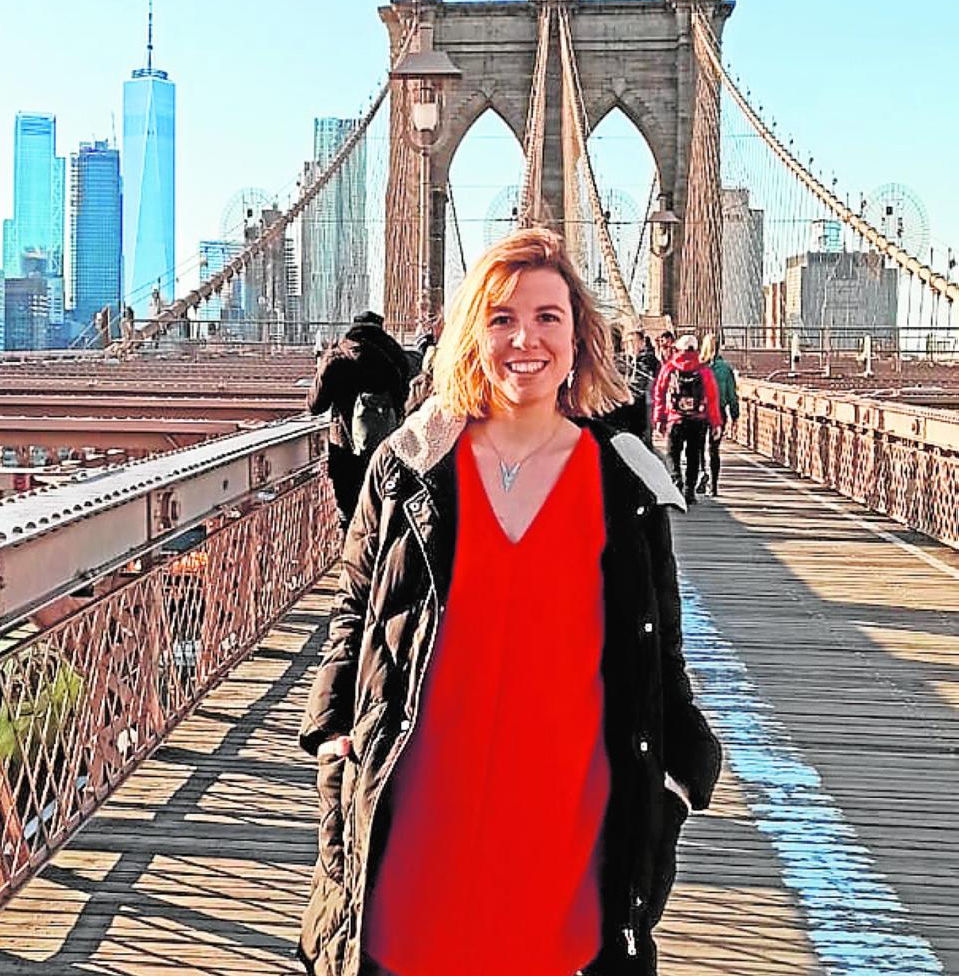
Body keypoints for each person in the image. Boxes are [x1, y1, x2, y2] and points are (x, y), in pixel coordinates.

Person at [298, 229, 722, 976]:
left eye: (547, 317)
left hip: (568, 827)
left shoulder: (624, 480)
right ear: (473, 334)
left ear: (578, 336)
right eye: (501, 318)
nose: (525, 338)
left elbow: (661, 639)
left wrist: (681, 775)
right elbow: (354, 611)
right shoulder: (409, 465)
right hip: (420, 817)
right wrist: (333, 735)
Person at [307, 311, 412, 528]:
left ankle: (353, 556)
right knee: (384, 513)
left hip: (345, 450)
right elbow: (407, 401)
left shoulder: (336, 357)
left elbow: (315, 406)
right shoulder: (396, 357)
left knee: (349, 516)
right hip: (388, 450)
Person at [652, 334, 722, 505]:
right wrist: (716, 423)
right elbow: (713, 399)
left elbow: (659, 394)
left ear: (678, 349)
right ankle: (690, 491)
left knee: (672, 454)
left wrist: (659, 419)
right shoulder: (704, 371)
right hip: (698, 419)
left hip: (675, 419)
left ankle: (676, 480)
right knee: (693, 456)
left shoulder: (669, 368)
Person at [700, 333, 739, 496]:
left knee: (699, 447)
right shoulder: (725, 369)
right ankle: (714, 485)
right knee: (714, 449)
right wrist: (735, 414)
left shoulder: (700, 367)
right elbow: (731, 394)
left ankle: (703, 476)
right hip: (719, 412)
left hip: (701, 412)